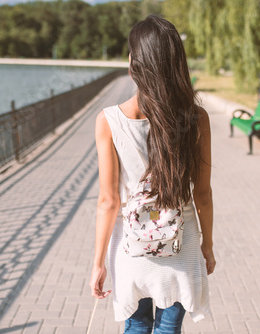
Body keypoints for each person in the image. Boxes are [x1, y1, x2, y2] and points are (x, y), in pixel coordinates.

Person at [89, 15, 215, 334]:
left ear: (134, 61)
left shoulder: (109, 121)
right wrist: (208, 245)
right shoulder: (196, 118)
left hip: (131, 246)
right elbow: (202, 193)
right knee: (168, 328)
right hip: (181, 242)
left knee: (136, 325)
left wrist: (98, 261)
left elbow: (108, 201)